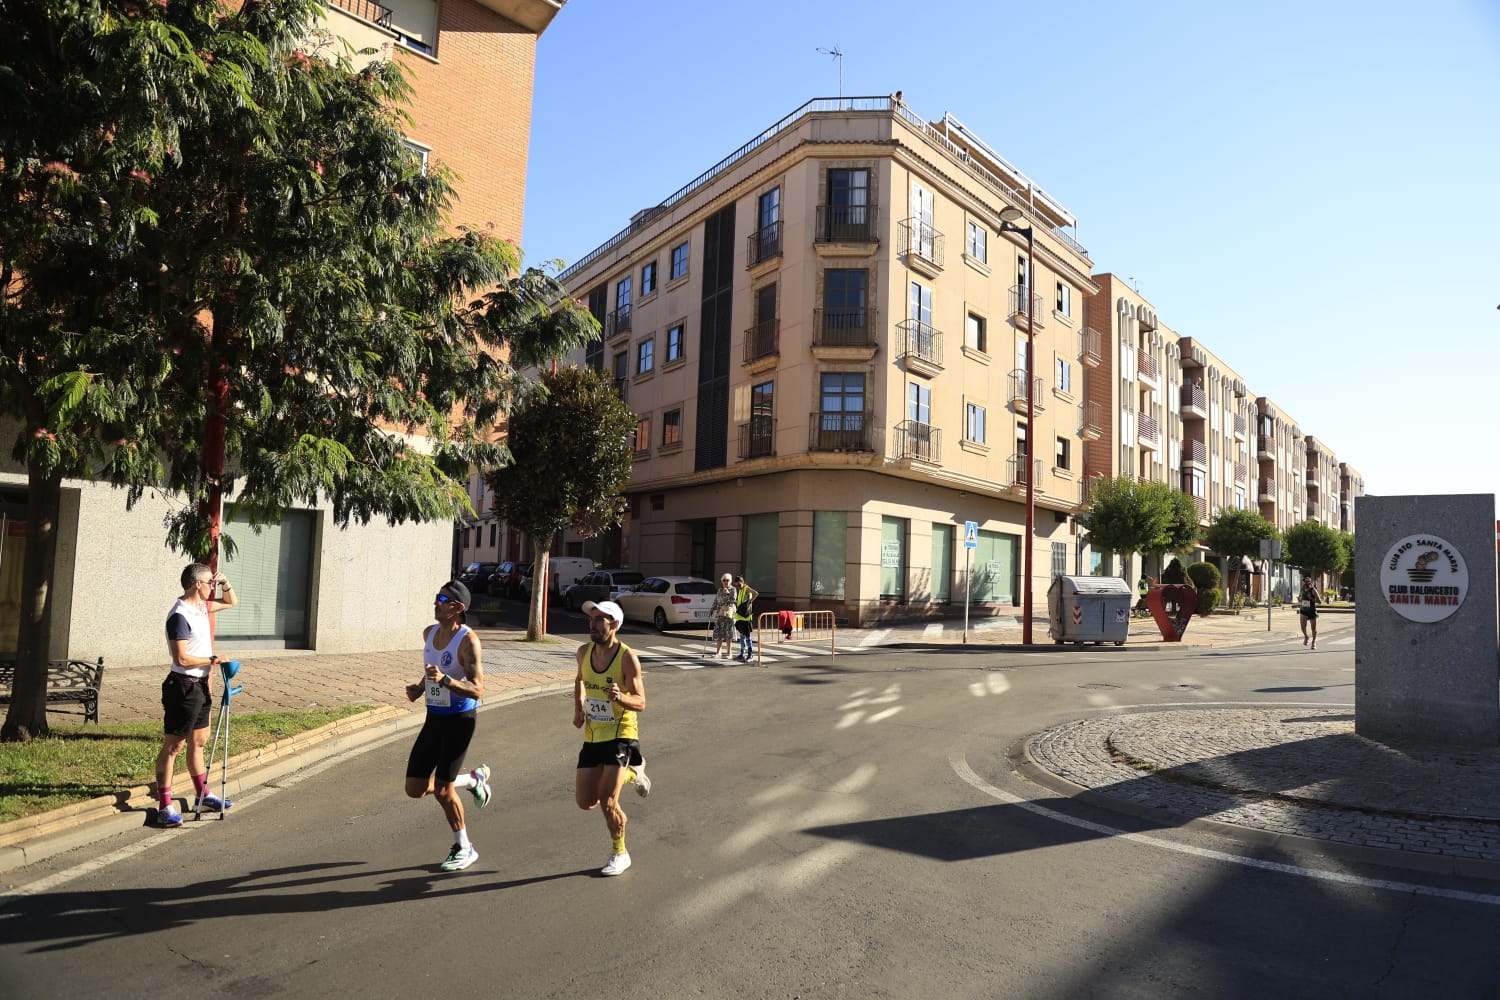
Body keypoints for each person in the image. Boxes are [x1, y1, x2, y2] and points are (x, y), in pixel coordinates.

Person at [403, 579, 492, 872]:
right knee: (414, 787)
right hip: (434, 717)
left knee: (443, 790)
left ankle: (464, 847)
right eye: (436, 597)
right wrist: (420, 688)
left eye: (442, 600)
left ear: (457, 608)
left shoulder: (468, 641)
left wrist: (446, 681)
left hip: (459, 721)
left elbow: (477, 689)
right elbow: (433, 671)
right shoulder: (429, 633)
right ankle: (472, 781)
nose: (436, 603)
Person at [157, 562, 239, 827]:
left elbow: (231, 602)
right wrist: (213, 660)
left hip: (201, 685)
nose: (213, 588)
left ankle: (202, 795)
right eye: (210, 583)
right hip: (182, 686)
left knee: (199, 741)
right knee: (174, 746)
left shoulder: (202, 607)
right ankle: (164, 806)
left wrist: (225, 583)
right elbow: (181, 658)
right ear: (197, 584)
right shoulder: (179, 615)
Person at [574, 599, 650, 877]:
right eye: (591, 619)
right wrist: (578, 709)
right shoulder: (583, 652)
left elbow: (641, 702)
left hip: (621, 733)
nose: (592, 625)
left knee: (608, 800)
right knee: (586, 801)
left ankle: (620, 853)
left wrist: (621, 698)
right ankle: (634, 773)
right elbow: (579, 681)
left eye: (598, 620)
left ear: (614, 625)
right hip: (593, 733)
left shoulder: (627, 658)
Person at [732, 575, 759, 662]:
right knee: (742, 636)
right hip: (740, 615)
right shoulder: (740, 590)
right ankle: (742, 654)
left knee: (747, 636)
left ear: (742, 582)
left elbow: (756, 593)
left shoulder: (746, 588)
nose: (738, 587)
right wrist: (735, 601)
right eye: (736, 585)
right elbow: (741, 601)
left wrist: (750, 602)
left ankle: (750, 655)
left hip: (746, 617)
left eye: (739, 585)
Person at [709, 573, 736, 658]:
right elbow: (716, 600)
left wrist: (728, 593)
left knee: (729, 633)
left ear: (730, 581)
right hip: (720, 614)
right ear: (722, 581)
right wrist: (712, 609)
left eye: (727, 580)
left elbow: (734, 600)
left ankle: (729, 653)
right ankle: (718, 653)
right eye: (724, 580)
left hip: (729, 614)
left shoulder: (733, 589)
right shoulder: (719, 590)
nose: (725, 582)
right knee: (719, 633)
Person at [1298, 579, 1320, 649]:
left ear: (1310, 582)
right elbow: (1299, 598)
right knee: (1302, 627)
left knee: (1313, 628)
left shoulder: (1313, 590)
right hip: (1303, 610)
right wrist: (1299, 599)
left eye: (1307, 582)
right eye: (1305, 582)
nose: (1306, 583)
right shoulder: (1302, 590)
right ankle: (1306, 636)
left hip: (1311, 611)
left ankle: (1313, 642)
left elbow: (1319, 601)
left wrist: (1311, 598)